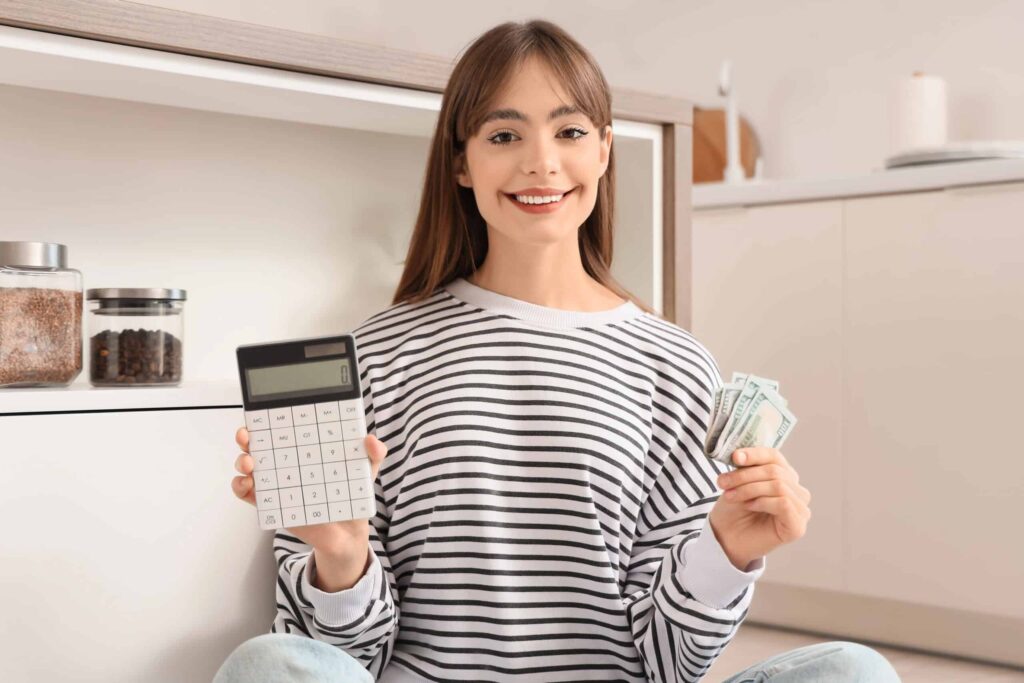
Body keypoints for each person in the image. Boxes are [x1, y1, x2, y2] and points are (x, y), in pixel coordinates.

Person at [217, 19, 901, 683]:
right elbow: (345, 663)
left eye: (570, 132)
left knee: (855, 672)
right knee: (268, 667)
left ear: (603, 150)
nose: (541, 161)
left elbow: (670, 665)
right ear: (462, 161)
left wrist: (727, 548)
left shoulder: (677, 366)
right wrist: (341, 555)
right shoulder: (375, 354)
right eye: (505, 134)